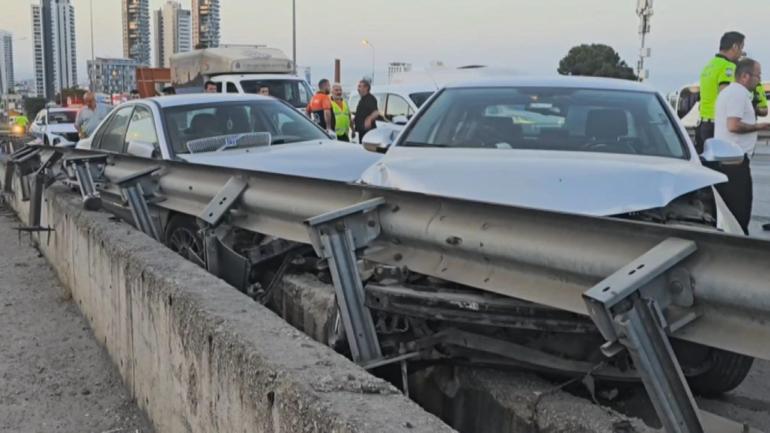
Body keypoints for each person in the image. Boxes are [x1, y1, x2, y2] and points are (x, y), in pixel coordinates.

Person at [713, 58, 770, 234]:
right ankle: (739, 248)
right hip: (734, 162)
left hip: (729, 159)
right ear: (745, 76)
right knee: (739, 211)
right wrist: (761, 126)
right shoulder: (738, 94)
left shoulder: (730, 92)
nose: (759, 80)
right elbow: (734, 125)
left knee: (732, 212)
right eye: (757, 75)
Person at [696, 31, 745, 153]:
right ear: (735, 47)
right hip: (718, 125)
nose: (741, 53)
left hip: (703, 123)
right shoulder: (728, 66)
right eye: (741, 48)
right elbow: (726, 95)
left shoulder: (709, 66)